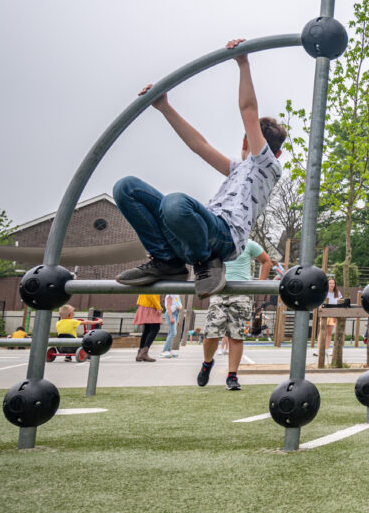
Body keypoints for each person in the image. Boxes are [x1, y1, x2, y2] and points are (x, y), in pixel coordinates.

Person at [112, 38, 286, 301]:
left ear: (247, 141)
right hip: (204, 230)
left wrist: (243, 63)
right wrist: (164, 107)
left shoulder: (266, 165)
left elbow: (248, 111)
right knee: (127, 188)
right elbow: (198, 145)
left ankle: (206, 261)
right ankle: (166, 260)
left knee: (175, 203)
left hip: (224, 237)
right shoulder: (237, 170)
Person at [198, 238, 271, 391]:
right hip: (219, 292)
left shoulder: (248, 243)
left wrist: (258, 284)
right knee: (211, 333)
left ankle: (232, 376)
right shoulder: (216, 242)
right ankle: (207, 363)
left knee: (236, 336)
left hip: (241, 294)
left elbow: (266, 261)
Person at [133, 294, 162, 362]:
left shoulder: (144, 282)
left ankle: (140, 354)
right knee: (155, 328)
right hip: (150, 306)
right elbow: (152, 295)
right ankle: (143, 353)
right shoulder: (153, 283)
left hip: (145, 305)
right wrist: (158, 306)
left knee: (147, 330)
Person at [320, 276, 344, 353]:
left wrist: (336, 315)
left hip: (333, 314)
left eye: (333, 283)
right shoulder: (324, 293)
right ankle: (319, 349)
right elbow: (320, 304)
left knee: (329, 332)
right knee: (322, 331)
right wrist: (321, 314)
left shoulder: (337, 293)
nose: (332, 284)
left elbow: (339, 304)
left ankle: (327, 349)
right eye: (330, 283)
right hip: (325, 314)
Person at [160, 293, 183, 358]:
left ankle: (169, 350)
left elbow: (178, 305)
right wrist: (171, 317)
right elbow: (168, 306)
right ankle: (164, 351)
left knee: (171, 332)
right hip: (171, 314)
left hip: (176, 314)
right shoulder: (169, 295)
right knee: (173, 333)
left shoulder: (177, 295)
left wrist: (177, 320)